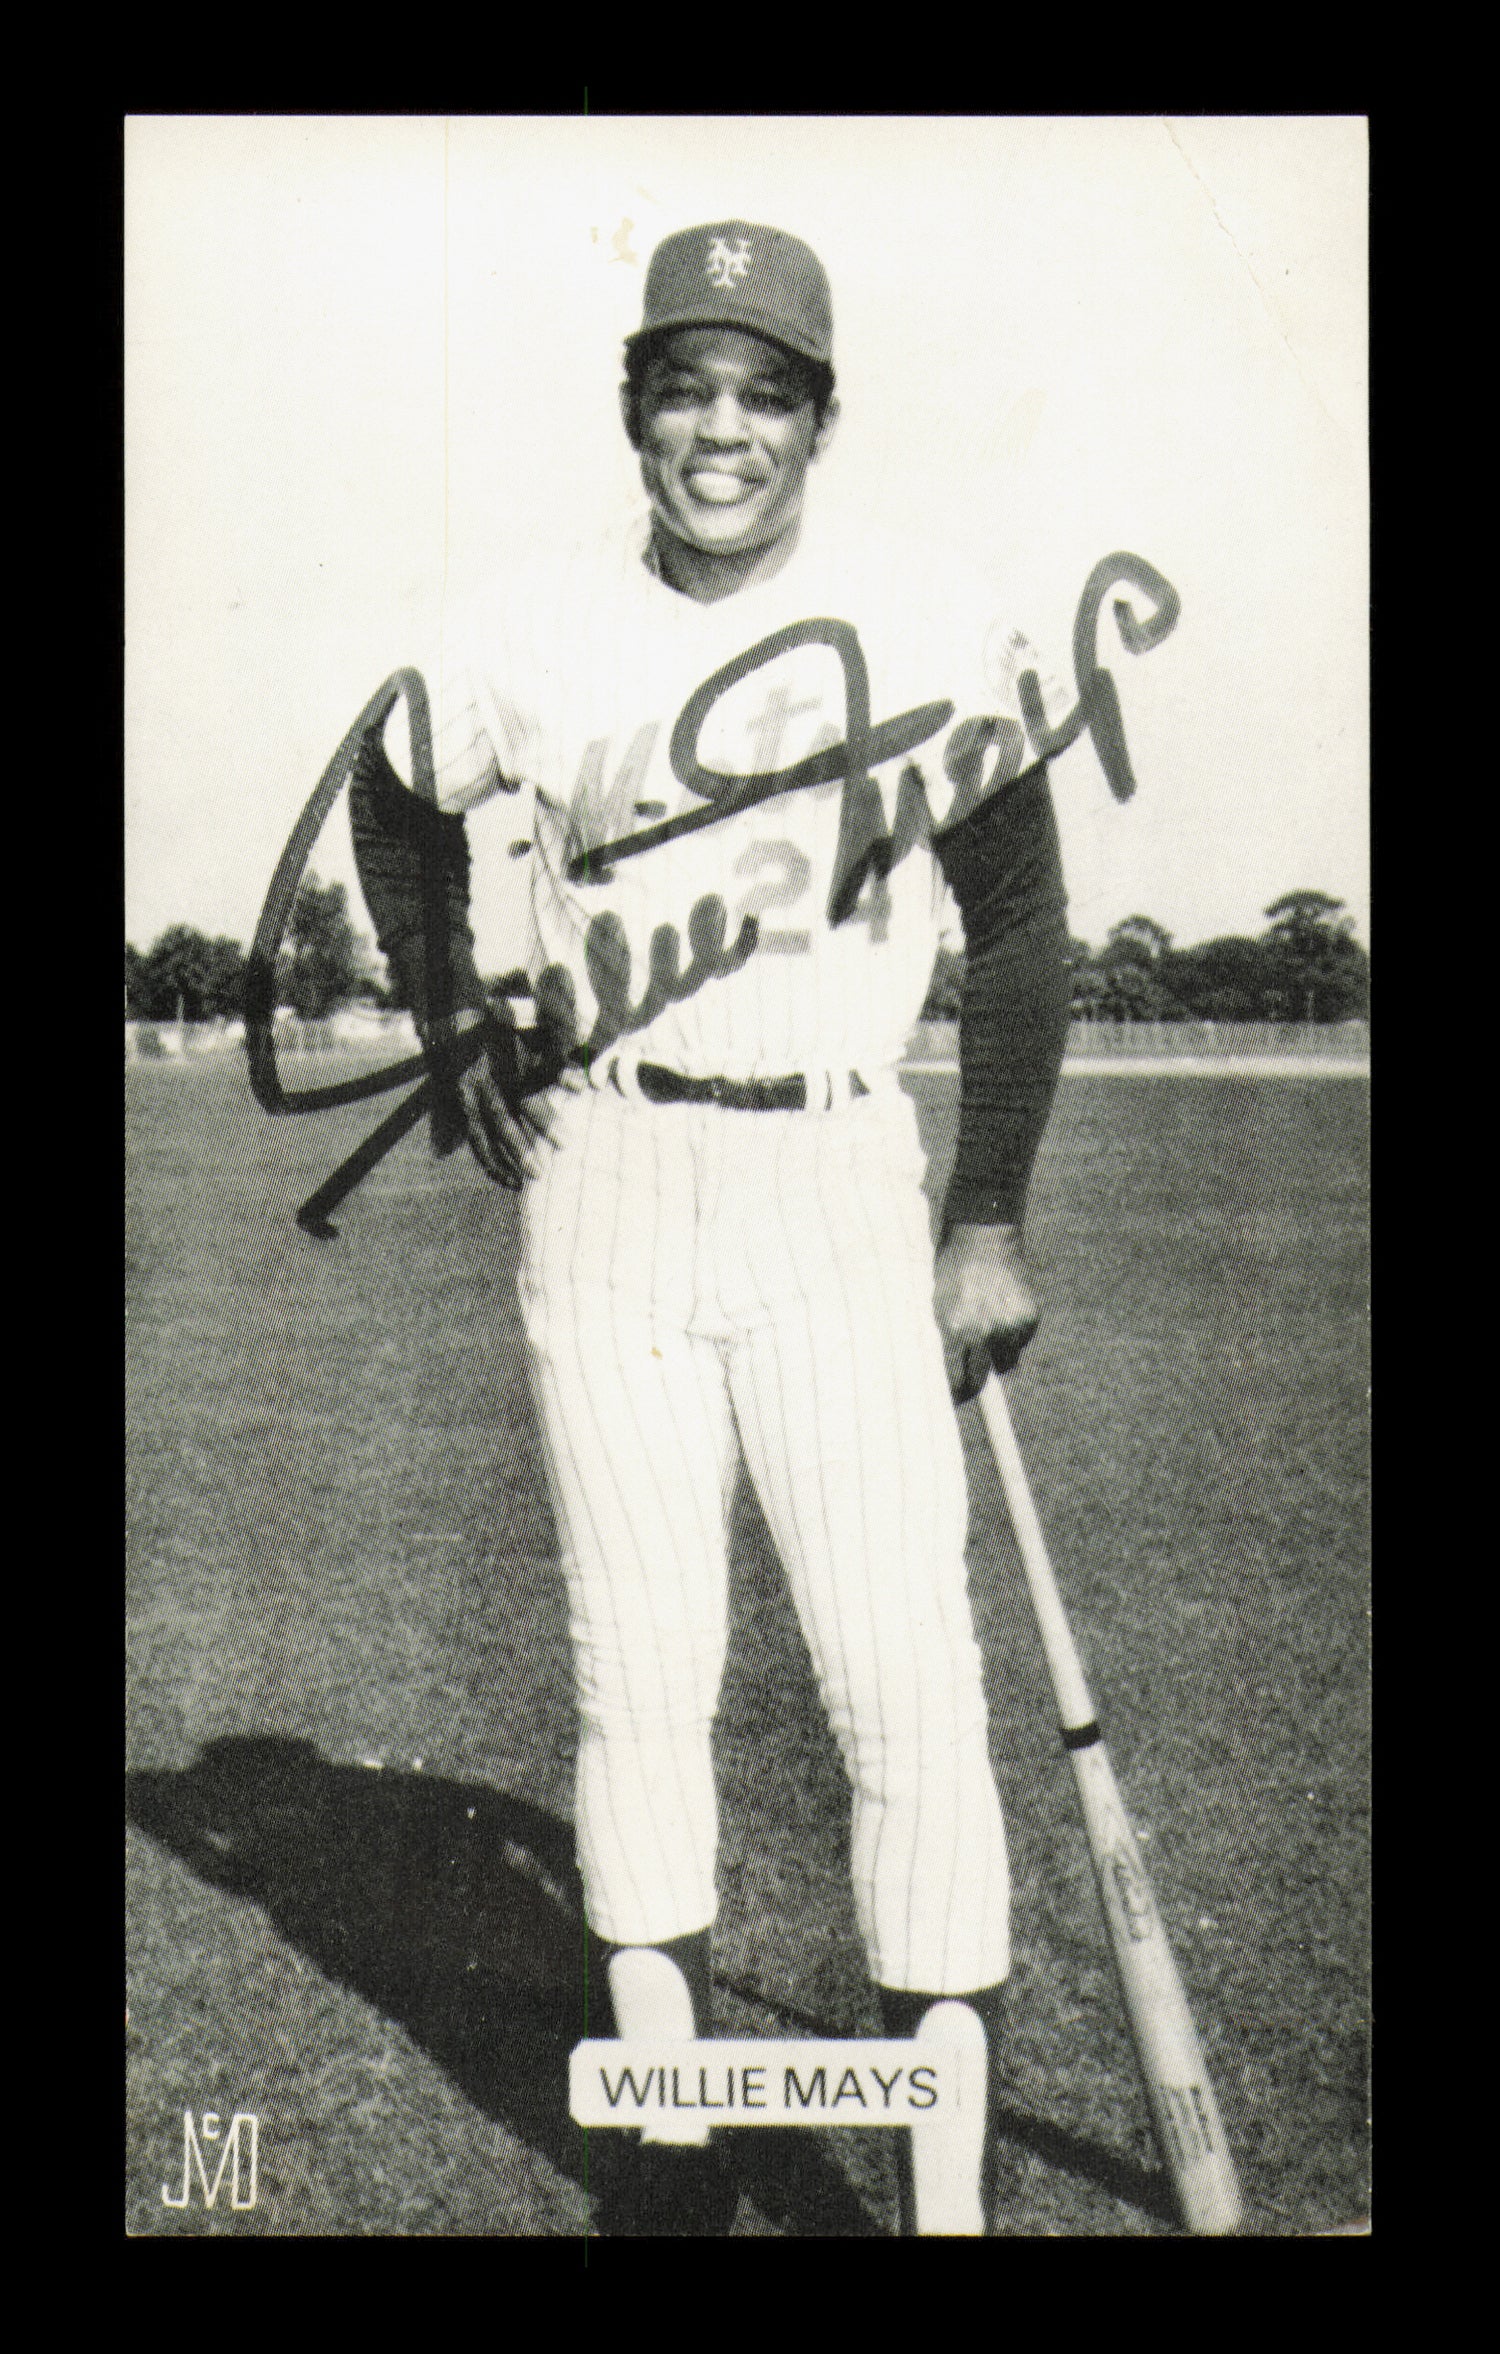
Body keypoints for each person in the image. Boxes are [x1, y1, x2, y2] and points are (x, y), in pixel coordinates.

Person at [349, 220, 1072, 2235]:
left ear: (821, 419)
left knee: (903, 1686)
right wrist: (450, 1014)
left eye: (766, 395)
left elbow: (1020, 920)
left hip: (837, 1176)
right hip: (609, 1181)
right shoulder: (531, 622)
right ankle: (667, 2174)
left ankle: (942, 2202)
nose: (723, 433)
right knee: (639, 1673)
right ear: (634, 411)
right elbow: (393, 797)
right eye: (686, 391)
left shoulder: (925, 614)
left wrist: (986, 1215)